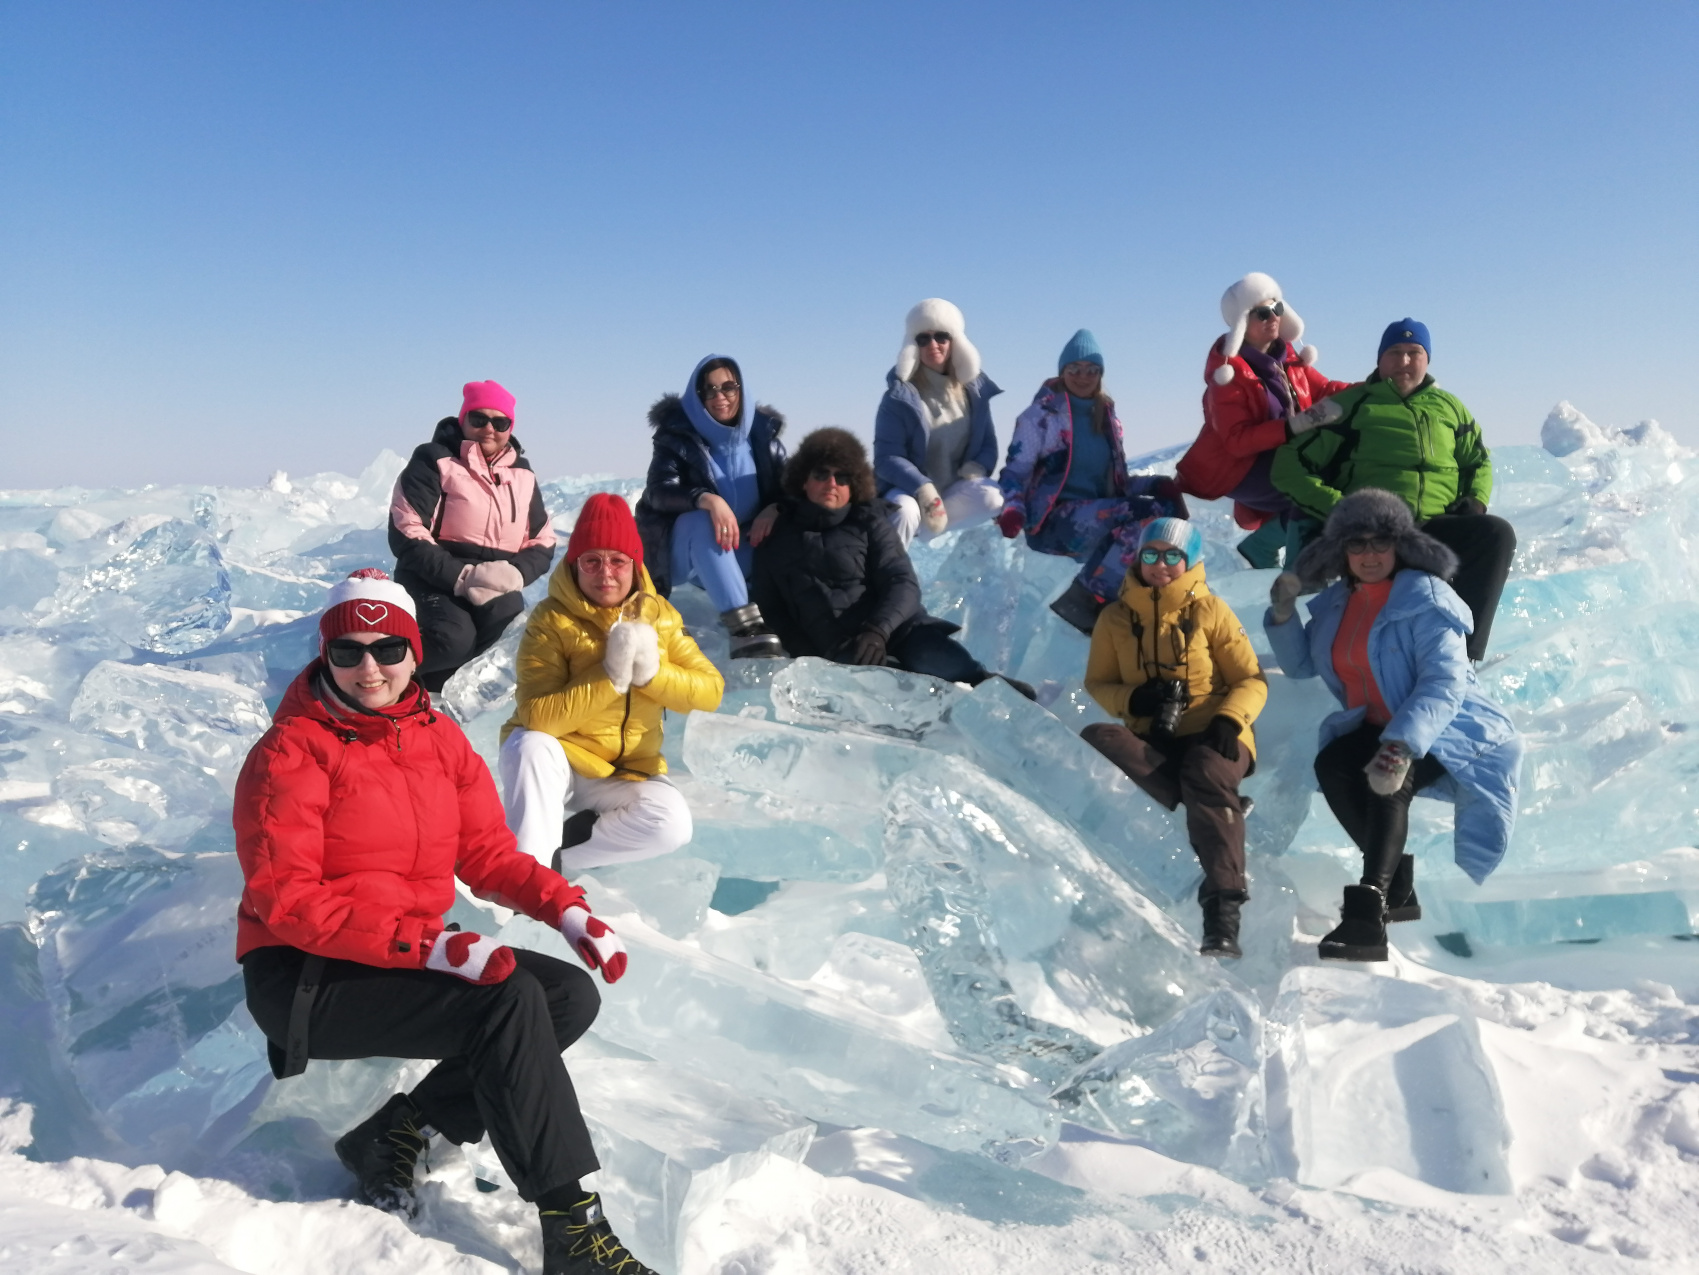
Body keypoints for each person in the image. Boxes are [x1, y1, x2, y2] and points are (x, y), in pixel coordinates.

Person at [234, 568, 656, 1274]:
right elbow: (290, 901)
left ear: (414, 651)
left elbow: (486, 851)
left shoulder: (436, 737)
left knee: (563, 994)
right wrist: (426, 944)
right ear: (325, 656)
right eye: (348, 651)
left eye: (388, 649)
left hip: (391, 955)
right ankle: (572, 1228)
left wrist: (566, 907)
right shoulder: (290, 751)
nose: (370, 667)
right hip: (306, 975)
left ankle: (398, 1131)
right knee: (506, 997)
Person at [1264, 489, 1524, 962]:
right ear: (1341, 552)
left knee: (1388, 784)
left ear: (1399, 545)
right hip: (1374, 722)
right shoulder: (1337, 604)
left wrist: (1402, 745)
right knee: (1333, 764)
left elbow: (1444, 684)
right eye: (1356, 544)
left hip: (1450, 729)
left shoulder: (1426, 600)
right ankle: (1396, 884)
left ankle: (1368, 914)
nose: (1369, 555)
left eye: (1380, 542)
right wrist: (1282, 615)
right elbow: (1302, 665)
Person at [502, 493, 724, 873]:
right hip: (563, 766)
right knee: (530, 743)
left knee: (671, 825)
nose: (605, 573)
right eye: (592, 561)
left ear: (635, 566)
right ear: (575, 566)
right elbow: (537, 716)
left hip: (626, 773)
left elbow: (709, 691)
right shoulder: (551, 620)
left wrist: (652, 674)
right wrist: (611, 674)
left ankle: (550, 860)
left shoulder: (662, 618)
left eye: (618, 561)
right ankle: (524, 879)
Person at [1271, 319, 1516, 660]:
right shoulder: (1348, 405)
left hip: (1433, 527)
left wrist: (1475, 500)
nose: (1404, 361)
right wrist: (1341, 509)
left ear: (1427, 359)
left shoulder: (1449, 406)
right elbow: (1288, 464)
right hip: (1374, 531)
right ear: (1379, 359)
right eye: (1395, 353)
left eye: (1414, 353)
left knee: (1495, 534)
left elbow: (1477, 460)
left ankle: (1465, 655)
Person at [1078, 519, 1267, 957]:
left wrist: (1229, 719)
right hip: (1156, 738)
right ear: (1138, 559)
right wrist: (1135, 699)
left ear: (1190, 561)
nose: (1160, 565)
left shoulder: (1211, 611)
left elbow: (1252, 680)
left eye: (1171, 556)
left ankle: (1223, 910)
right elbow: (1099, 682)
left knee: (1203, 768)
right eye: (1150, 555)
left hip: (1218, 735)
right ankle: (1217, 808)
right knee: (1095, 737)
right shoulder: (1114, 618)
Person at [751, 428, 1035, 697]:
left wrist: (876, 631)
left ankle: (988, 688)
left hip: (897, 630)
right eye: (821, 474)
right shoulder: (775, 538)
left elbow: (902, 582)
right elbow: (772, 608)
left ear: (855, 485)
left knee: (940, 660)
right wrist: (816, 655)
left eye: (843, 477)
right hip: (839, 649)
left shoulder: (870, 522)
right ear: (804, 479)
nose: (832, 484)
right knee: (893, 695)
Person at [997, 330, 1188, 635]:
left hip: (1095, 516)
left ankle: (1151, 601)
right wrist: (1012, 509)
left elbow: (1118, 483)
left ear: (1101, 374)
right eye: (1074, 369)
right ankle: (1086, 598)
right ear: (1062, 372)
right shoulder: (1040, 417)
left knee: (1164, 512)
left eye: (1092, 370)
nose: (1083, 376)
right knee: (1146, 514)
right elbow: (1014, 473)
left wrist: (1157, 484)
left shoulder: (1107, 417)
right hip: (1053, 523)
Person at [1175, 273, 1352, 569]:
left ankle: (1269, 551)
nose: (1273, 318)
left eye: (1277, 309)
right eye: (1262, 313)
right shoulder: (1228, 376)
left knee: (1323, 484)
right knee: (1310, 492)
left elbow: (1324, 389)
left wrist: (1381, 385)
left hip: (1277, 456)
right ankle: (1296, 575)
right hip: (1237, 468)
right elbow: (1236, 441)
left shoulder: (1288, 359)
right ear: (1243, 321)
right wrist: (1293, 426)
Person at [389, 380, 556, 692]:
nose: (489, 428)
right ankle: (375, 677)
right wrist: (462, 577)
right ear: (463, 419)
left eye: (500, 421)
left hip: (495, 579)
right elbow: (407, 527)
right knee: (453, 639)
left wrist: (515, 574)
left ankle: (455, 708)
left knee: (509, 643)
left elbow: (542, 538)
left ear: (510, 427)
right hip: (433, 575)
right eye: (479, 419)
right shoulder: (433, 460)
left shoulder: (523, 475)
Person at [634, 355, 787, 657]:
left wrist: (777, 507)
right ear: (698, 395)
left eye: (728, 387)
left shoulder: (764, 439)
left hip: (737, 551)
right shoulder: (677, 436)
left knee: (789, 529)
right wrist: (706, 499)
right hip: (681, 556)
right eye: (710, 389)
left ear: (741, 391)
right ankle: (744, 629)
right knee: (701, 521)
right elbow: (658, 491)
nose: (720, 396)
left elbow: (795, 489)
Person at [874, 298, 1005, 547]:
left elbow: (988, 444)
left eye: (941, 337)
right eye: (923, 338)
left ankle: (926, 536)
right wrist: (923, 489)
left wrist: (977, 467)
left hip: (952, 490)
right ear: (914, 344)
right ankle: (889, 570)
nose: (933, 345)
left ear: (955, 341)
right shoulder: (899, 396)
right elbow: (886, 458)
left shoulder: (974, 392)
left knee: (992, 498)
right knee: (905, 512)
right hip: (909, 490)